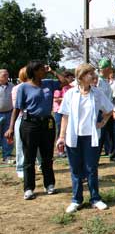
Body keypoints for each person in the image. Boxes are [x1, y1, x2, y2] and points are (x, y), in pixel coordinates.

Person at [4, 61, 67, 200]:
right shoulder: (23, 88)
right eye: (41, 69)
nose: (44, 70)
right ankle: (29, 188)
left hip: (47, 124)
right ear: (34, 71)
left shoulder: (48, 83)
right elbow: (17, 108)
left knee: (47, 157)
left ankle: (49, 184)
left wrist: (52, 71)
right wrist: (11, 127)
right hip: (29, 125)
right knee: (29, 157)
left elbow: (64, 81)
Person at [57, 63, 113, 213]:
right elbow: (65, 116)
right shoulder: (70, 94)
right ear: (81, 76)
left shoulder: (97, 93)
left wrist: (102, 122)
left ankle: (95, 198)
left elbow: (109, 109)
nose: (93, 76)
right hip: (73, 137)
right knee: (75, 169)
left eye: (93, 73)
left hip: (91, 137)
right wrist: (61, 136)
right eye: (90, 74)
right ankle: (76, 199)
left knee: (91, 169)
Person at [53, 71, 75, 157]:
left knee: (68, 130)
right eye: (71, 77)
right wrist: (65, 99)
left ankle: (67, 148)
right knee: (60, 129)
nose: (72, 79)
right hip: (59, 111)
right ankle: (60, 150)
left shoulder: (71, 88)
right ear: (66, 77)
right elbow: (56, 99)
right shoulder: (59, 87)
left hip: (69, 112)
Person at [97, 58, 114, 159]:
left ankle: (111, 153)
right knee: (100, 137)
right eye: (109, 68)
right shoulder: (98, 81)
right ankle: (95, 159)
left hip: (109, 112)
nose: (110, 70)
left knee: (110, 136)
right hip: (101, 113)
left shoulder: (106, 82)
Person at [0, 69, 14, 163]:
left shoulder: (12, 86)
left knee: (8, 135)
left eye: (7, 75)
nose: (6, 76)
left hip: (9, 113)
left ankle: (7, 156)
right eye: (4, 75)